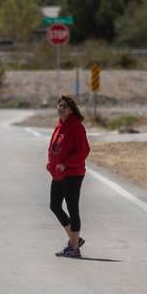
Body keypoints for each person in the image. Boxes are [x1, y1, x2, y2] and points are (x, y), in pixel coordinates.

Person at [48, 94, 90, 258]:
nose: (60, 107)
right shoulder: (59, 126)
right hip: (58, 173)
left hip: (73, 173)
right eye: (58, 104)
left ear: (71, 109)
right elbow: (53, 147)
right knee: (55, 205)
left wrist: (67, 164)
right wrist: (50, 163)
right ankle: (75, 240)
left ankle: (74, 248)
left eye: (64, 105)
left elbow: (84, 151)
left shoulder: (76, 127)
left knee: (73, 208)